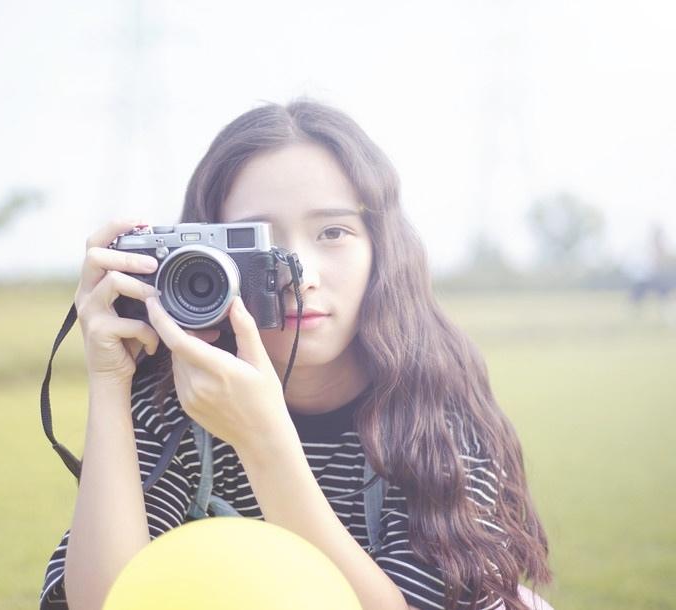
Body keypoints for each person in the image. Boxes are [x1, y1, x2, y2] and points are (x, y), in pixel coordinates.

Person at [39, 98, 552, 610]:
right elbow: (104, 602)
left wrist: (263, 439)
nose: (299, 273)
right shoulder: (178, 403)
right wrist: (109, 381)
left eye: (334, 232)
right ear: (197, 259)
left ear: (382, 248)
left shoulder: (433, 410)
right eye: (258, 240)